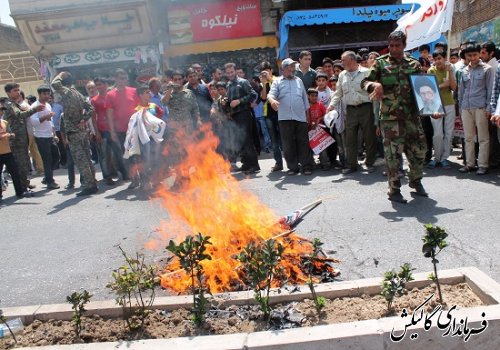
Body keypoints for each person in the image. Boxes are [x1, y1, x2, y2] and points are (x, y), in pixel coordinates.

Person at [361, 30, 428, 204]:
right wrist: (374, 84)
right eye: (390, 45)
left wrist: (432, 106)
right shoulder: (380, 64)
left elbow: (424, 88)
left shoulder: (414, 64)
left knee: (419, 151)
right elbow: (364, 82)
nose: (393, 49)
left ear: (404, 45)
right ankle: (394, 188)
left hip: (412, 116)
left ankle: (415, 181)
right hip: (390, 119)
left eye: (397, 45)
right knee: (393, 155)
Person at [51, 71, 98, 196]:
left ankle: (89, 185)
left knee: (81, 160)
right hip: (82, 131)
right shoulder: (79, 94)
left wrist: (60, 74)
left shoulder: (66, 92)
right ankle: (92, 182)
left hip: (73, 132)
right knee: (87, 159)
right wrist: (84, 119)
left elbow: (54, 83)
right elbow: (91, 109)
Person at [330, 50, 376, 175]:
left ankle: (370, 162)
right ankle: (352, 164)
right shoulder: (342, 75)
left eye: (343, 60)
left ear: (352, 60)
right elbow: (338, 92)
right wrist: (331, 105)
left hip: (366, 108)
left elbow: (374, 91)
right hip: (350, 110)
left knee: (369, 136)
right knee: (350, 138)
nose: (341, 62)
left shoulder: (366, 72)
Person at [267, 58, 313, 175]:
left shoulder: (299, 80)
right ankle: (293, 167)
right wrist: (272, 101)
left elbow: (304, 100)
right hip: (285, 118)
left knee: (303, 142)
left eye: (293, 67)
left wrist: (308, 116)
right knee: (288, 144)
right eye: (290, 67)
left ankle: (306, 166)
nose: (292, 69)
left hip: (300, 117)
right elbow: (270, 95)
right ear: (283, 69)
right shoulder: (277, 82)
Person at [458, 42, 494, 175]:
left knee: (483, 137)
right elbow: (461, 91)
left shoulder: (487, 69)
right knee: (468, 137)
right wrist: (460, 108)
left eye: (474, 55)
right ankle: (470, 164)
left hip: (481, 107)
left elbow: (490, 90)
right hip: (466, 108)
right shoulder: (464, 71)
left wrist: (489, 108)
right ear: (466, 56)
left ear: (479, 54)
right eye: (469, 55)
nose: (472, 58)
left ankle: (483, 165)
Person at [3, 83, 44, 196]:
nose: (18, 92)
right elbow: (20, 115)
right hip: (16, 141)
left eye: (18, 90)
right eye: (15, 90)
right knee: (20, 164)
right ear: (8, 92)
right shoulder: (9, 105)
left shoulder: (14, 104)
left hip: (21, 139)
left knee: (24, 163)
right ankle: (23, 188)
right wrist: (35, 109)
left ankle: (24, 184)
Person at [224, 62, 260, 174]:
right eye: (228, 72)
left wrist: (239, 101)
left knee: (247, 140)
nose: (230, 74)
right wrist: (227, 102)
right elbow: (230, 100)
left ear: (235, 71)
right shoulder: (228, 85)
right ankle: (246, 164)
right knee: (240, 141)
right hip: (234, 116)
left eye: (232, 71)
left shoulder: (243, 82)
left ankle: (254, 165)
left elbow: (253, 95)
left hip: (244, 113)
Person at [104, 69, 139, 180]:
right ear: (115, 79)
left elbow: (140, 108)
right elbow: (109, 115)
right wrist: (112, 131)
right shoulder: (110, 94)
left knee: (139, 155)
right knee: (127, 155)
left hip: (136, 128)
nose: (123, 80)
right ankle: (134, 178)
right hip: (121, 130)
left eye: (125, 78)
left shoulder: (134, 91)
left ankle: (143, 178)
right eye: (120, 78)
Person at [427, 50, 457, 169]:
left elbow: (454, 87)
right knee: (438, 134)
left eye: (440, 58)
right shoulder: (431, 71)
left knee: (449, 133)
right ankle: (436, 157)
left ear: (445, 58)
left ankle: (444, 158)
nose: (437, 61)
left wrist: (450, 72)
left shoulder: (450, 69)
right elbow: (429, 90)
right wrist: (442, 86)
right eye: (435, 59)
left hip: (449, 103)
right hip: (435, 105)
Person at [30, 85, 59, 189]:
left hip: (50, 136)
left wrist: (54, 133)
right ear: (39, 94)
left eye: (48, 94)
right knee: (47, 159)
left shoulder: (47, 105)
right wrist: (45, 117)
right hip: (41, 137)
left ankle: (47, 177)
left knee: (56, 157)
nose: (47, 96)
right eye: (44, 94)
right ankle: (50, 181)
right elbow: (33, 122)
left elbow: (50, 121)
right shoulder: (35, 106)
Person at [90, 77, 117, 185]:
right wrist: (96, 132)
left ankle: (116, 172)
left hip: (114, 129)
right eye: (97, 85)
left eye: (100, 84)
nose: (98, 87)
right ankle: (107, 176)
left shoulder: (112, 97)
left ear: (106, 85)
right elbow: (93, 117)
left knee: (116, 153)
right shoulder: (94, 100)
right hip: (102, 130)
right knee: (104, 155)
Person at [259, 62, 283, 172]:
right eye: (263, 71)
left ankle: (292, 162)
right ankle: (278, 163)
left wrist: (270, 79)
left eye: (267, 70)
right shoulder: (262, 83)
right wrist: (264, 84)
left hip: (280, 112)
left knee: (285, 138)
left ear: (271, 70)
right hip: (268, 114)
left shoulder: (278, 79)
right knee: (274, 140)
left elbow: (279, 93)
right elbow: (263, 98)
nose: (265, 73)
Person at [0, 117, 25, 201]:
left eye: (2, 110)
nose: (1, 112)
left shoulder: (4, 122)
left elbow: (11, 134)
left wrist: (10, 135)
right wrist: (5, 135)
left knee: (15, 172)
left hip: (7, 152)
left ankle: (19, 192)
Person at [307, 88, 330, 170]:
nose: (314, 98)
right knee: (309, 149)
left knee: (322, 148)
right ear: (308, 96)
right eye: (312, 96)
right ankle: (311, 164)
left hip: (320, 131)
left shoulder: (320, 105)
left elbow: (327, 114)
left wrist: (319, 119)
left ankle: (325, 164)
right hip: (309, 131)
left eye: (316, 96)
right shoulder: (306, 106)